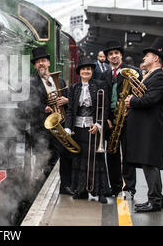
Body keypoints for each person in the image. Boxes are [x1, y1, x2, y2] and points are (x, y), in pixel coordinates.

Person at [125, 38, 163, 212]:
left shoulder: (159, 76)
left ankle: (156, 201)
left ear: (156, 59)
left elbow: (150, 99)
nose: (144, 57)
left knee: (150, 163)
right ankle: (153, 198)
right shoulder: (150, 75)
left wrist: (132, 101)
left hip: (150, 128)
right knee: (147, 163)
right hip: (145, 127)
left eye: (148, 55)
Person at [26, 45, 73, 195]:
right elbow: (26, 104)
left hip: (58, 126)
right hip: (41, 128)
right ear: (35, 65)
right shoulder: (31, 83)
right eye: (38, 62)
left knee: (61, 158)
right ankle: (42, 189)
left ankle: (62, 186)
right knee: (43, 159)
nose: (41, 64)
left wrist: (66, 101)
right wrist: (43, 108)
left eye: (43, 61)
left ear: (48, 63)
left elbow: (67, 100)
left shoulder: (60, 81)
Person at [64, 58, 110, 203]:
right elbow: (70, 110)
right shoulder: (73, 88)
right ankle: (81, 189)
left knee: (97, 158)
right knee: (79, 159)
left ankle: (101, 191)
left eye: (89, 69)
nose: (86, 71)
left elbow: (105, 108)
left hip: (93, 127)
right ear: (79, 72)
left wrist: (99, 124)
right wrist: (67, 128)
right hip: (78, 127)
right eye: (83, 69)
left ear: (92, 71)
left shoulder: (100, 85)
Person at [100, 40, 140, 199]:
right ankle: (115, 186)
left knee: (128, 154)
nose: (114, 56)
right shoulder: (104, 75)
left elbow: (139, 93)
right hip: (112, 119)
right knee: (112, 154)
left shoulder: (132, 71)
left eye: (116, 53)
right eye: (110, 54)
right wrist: (107, 118)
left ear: (121, 55)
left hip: (128, 118)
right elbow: (103, 99)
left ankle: (129, 187)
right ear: (107, 57)